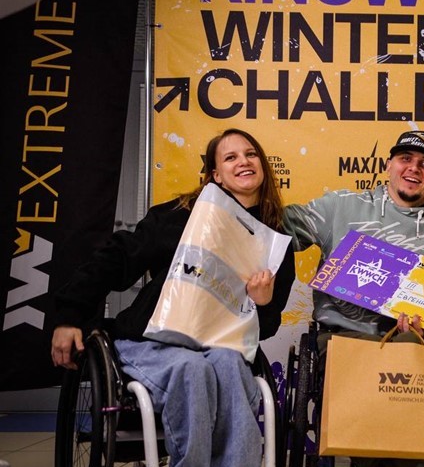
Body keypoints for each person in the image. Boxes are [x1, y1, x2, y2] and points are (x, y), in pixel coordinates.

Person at [51, 128, 295, 467]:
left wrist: (262, 303)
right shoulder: (182, 216)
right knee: (191, 368)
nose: (243, 161)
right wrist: (69, 315)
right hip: (152, 341)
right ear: (216, 175)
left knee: (228, 364)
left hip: (220, 347)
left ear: (262, 165)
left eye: (250, 154)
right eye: (231, 157)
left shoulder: (273, 240)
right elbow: (117, 258)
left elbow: (265, 328)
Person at [284, 129, 424, 339]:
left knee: (409, 342)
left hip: (417, 344)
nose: (414, 168)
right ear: (388, 166)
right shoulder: (341, 206)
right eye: (406, 158)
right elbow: (276, 227)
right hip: (344, 339)